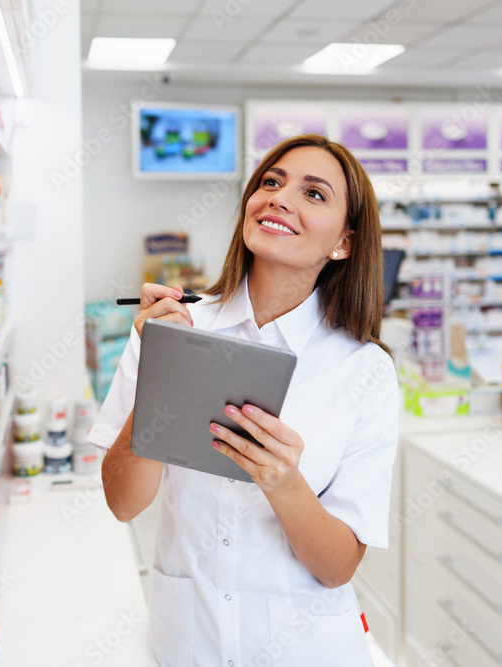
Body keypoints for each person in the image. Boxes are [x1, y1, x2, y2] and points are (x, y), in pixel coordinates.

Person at [87, 134, 399, 666]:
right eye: (271, 182)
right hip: (189, 642)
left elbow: (338, 566)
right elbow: (123, 502)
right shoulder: (174, 328)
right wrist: (165, 375)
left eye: (314, 194)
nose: (280, 197)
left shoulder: (365, 370)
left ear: (344, 244)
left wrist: (283, 482)